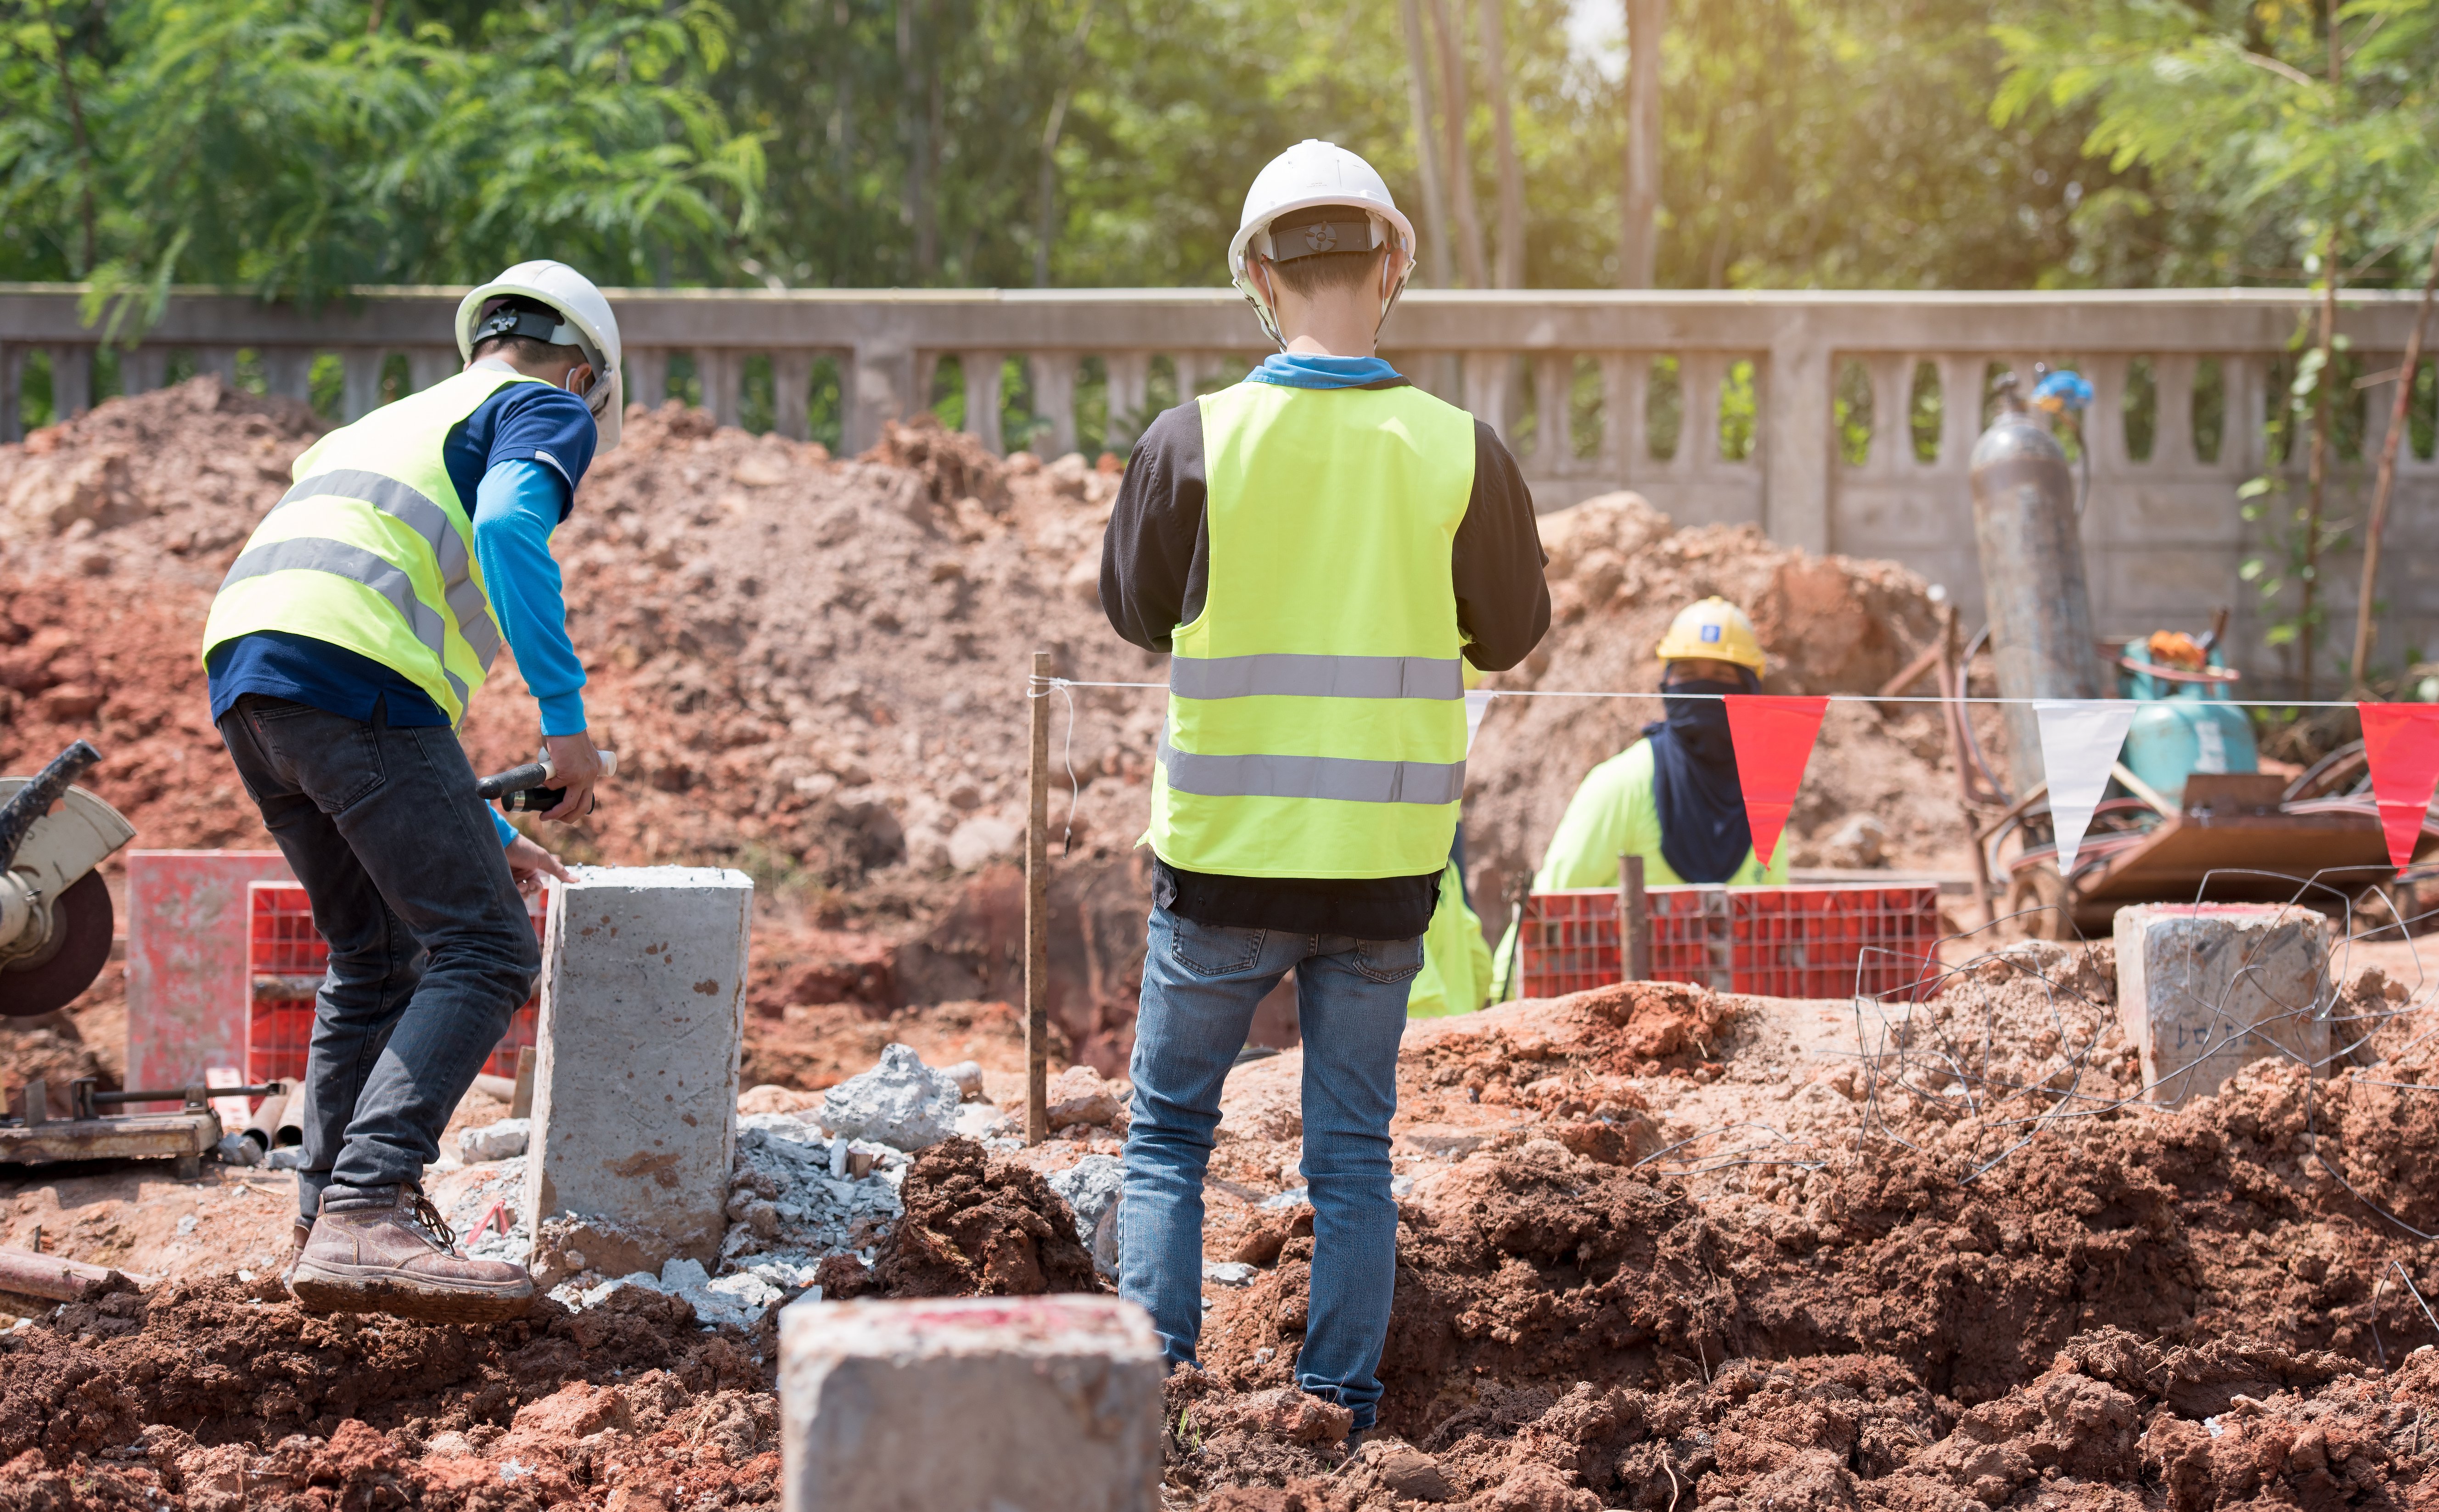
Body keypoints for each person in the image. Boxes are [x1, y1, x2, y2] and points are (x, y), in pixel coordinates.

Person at [1099, 139, 1550, 1436]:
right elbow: (1509, 631)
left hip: (1222, 862)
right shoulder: (1460, 450)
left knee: (1167, 1139)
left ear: (1255, 275)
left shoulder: (1196, 442)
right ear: (1394, 262)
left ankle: (1149, 1401)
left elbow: (1137, 609)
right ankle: (1337, 1403)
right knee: (1351, 1153)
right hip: (1381, 879)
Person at [199, 260, 624, 1322]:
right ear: (582, 374)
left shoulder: (376, 427)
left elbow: (355, 588)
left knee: (376, 951)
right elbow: (507, 532)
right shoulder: (539, 405)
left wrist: (476, 821)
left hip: (253, 678)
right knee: (486, 948)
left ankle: (323, 1222)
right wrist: (565, 727)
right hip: (353, 679)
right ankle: (370, 1199)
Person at [1490, 596, 1786, 997]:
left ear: (1751, 688)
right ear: (1667, 683)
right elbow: (1545, 910)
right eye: (1689, 673)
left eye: (1722, 675)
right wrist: (1501, 1003)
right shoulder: (1620, 785)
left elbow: (1773, 930)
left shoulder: (1764, 799)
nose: (1704, 686)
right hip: (1614, 1030)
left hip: (1731, 1033)